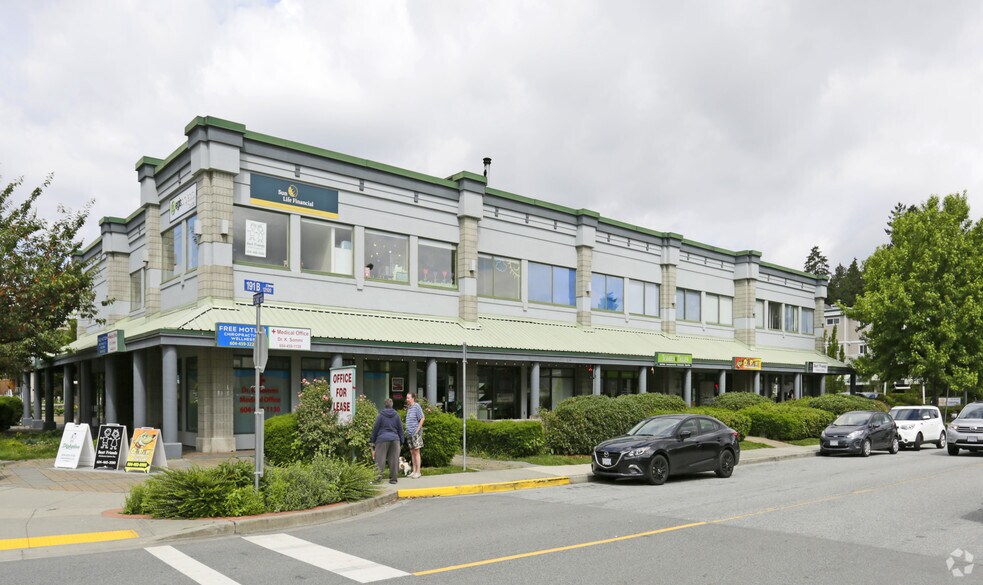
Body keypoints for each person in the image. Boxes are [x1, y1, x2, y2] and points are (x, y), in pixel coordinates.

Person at [369, 398, 404, 484]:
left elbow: (375, 429)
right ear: (392, 405)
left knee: (380, 460)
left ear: (385, 405)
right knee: (394, 460)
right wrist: (402, 441)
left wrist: (372, 441)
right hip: (395, 440)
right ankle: (393, 479)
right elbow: (400, 429)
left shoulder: (380, 415)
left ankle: (377, 478)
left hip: (382, 439)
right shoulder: (397, 415)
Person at [404, 392, 425, 478]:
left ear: (413, 398)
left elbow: (422, 418)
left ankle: (418, 472)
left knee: (416, 452)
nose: (407, 399)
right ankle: (414, 471)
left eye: (408, 398)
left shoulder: (416, 406)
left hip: (415, 433)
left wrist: (417, 430)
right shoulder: (409, 407)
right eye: (407, 398)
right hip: (409, 433)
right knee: (412, 452)